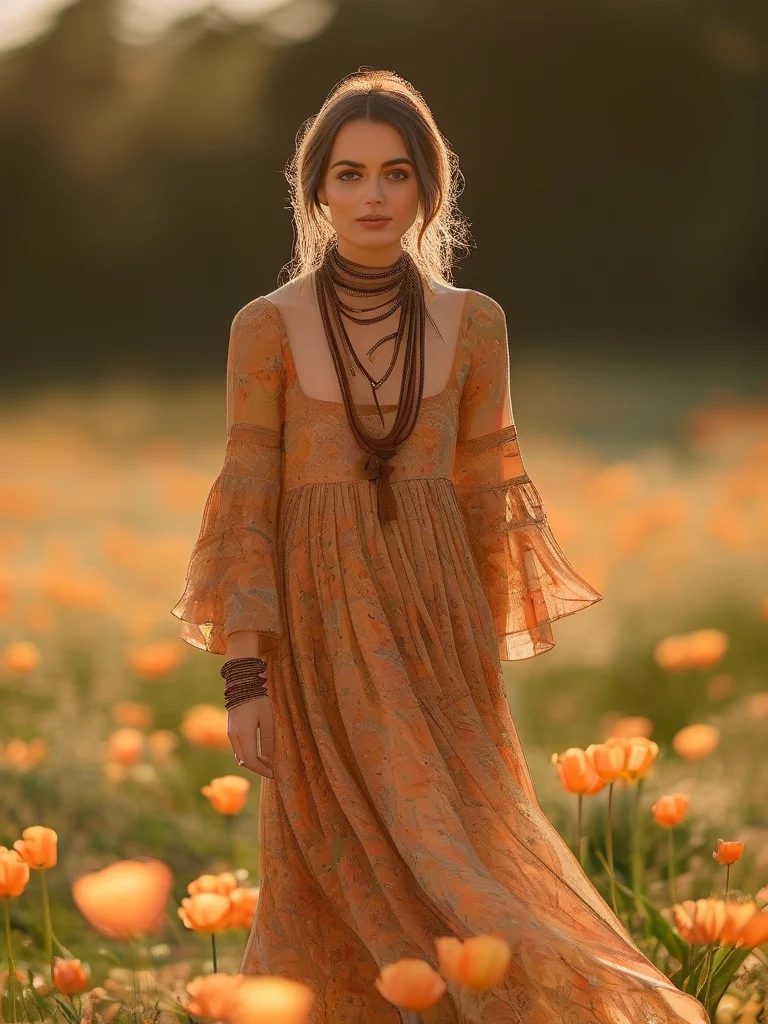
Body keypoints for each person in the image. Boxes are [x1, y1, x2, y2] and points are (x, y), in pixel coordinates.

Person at [170, 68, 710, 1024]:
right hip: (318, 631)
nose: (372, 196)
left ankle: (580, 999)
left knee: (465, 850)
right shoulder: (264, 328)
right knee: (324, 857)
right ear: (316, 190)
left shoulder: (475, 323)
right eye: (349, 175)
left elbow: (485, 500)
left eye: (395, 173)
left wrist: (477, 665)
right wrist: (245, 680)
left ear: (428, 186)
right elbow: (247, 504)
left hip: (434, 629)